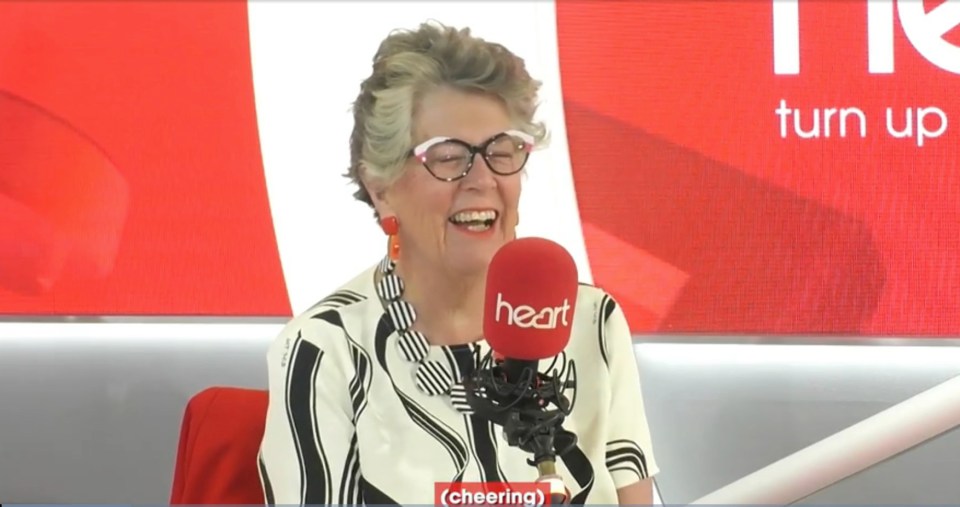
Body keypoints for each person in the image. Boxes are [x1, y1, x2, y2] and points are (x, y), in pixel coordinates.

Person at [257, 20, 659, 505]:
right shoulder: (325, 348)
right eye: (448, 157)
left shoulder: (591, 323)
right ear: (382, 188)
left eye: (502, 150)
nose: (482, 179)